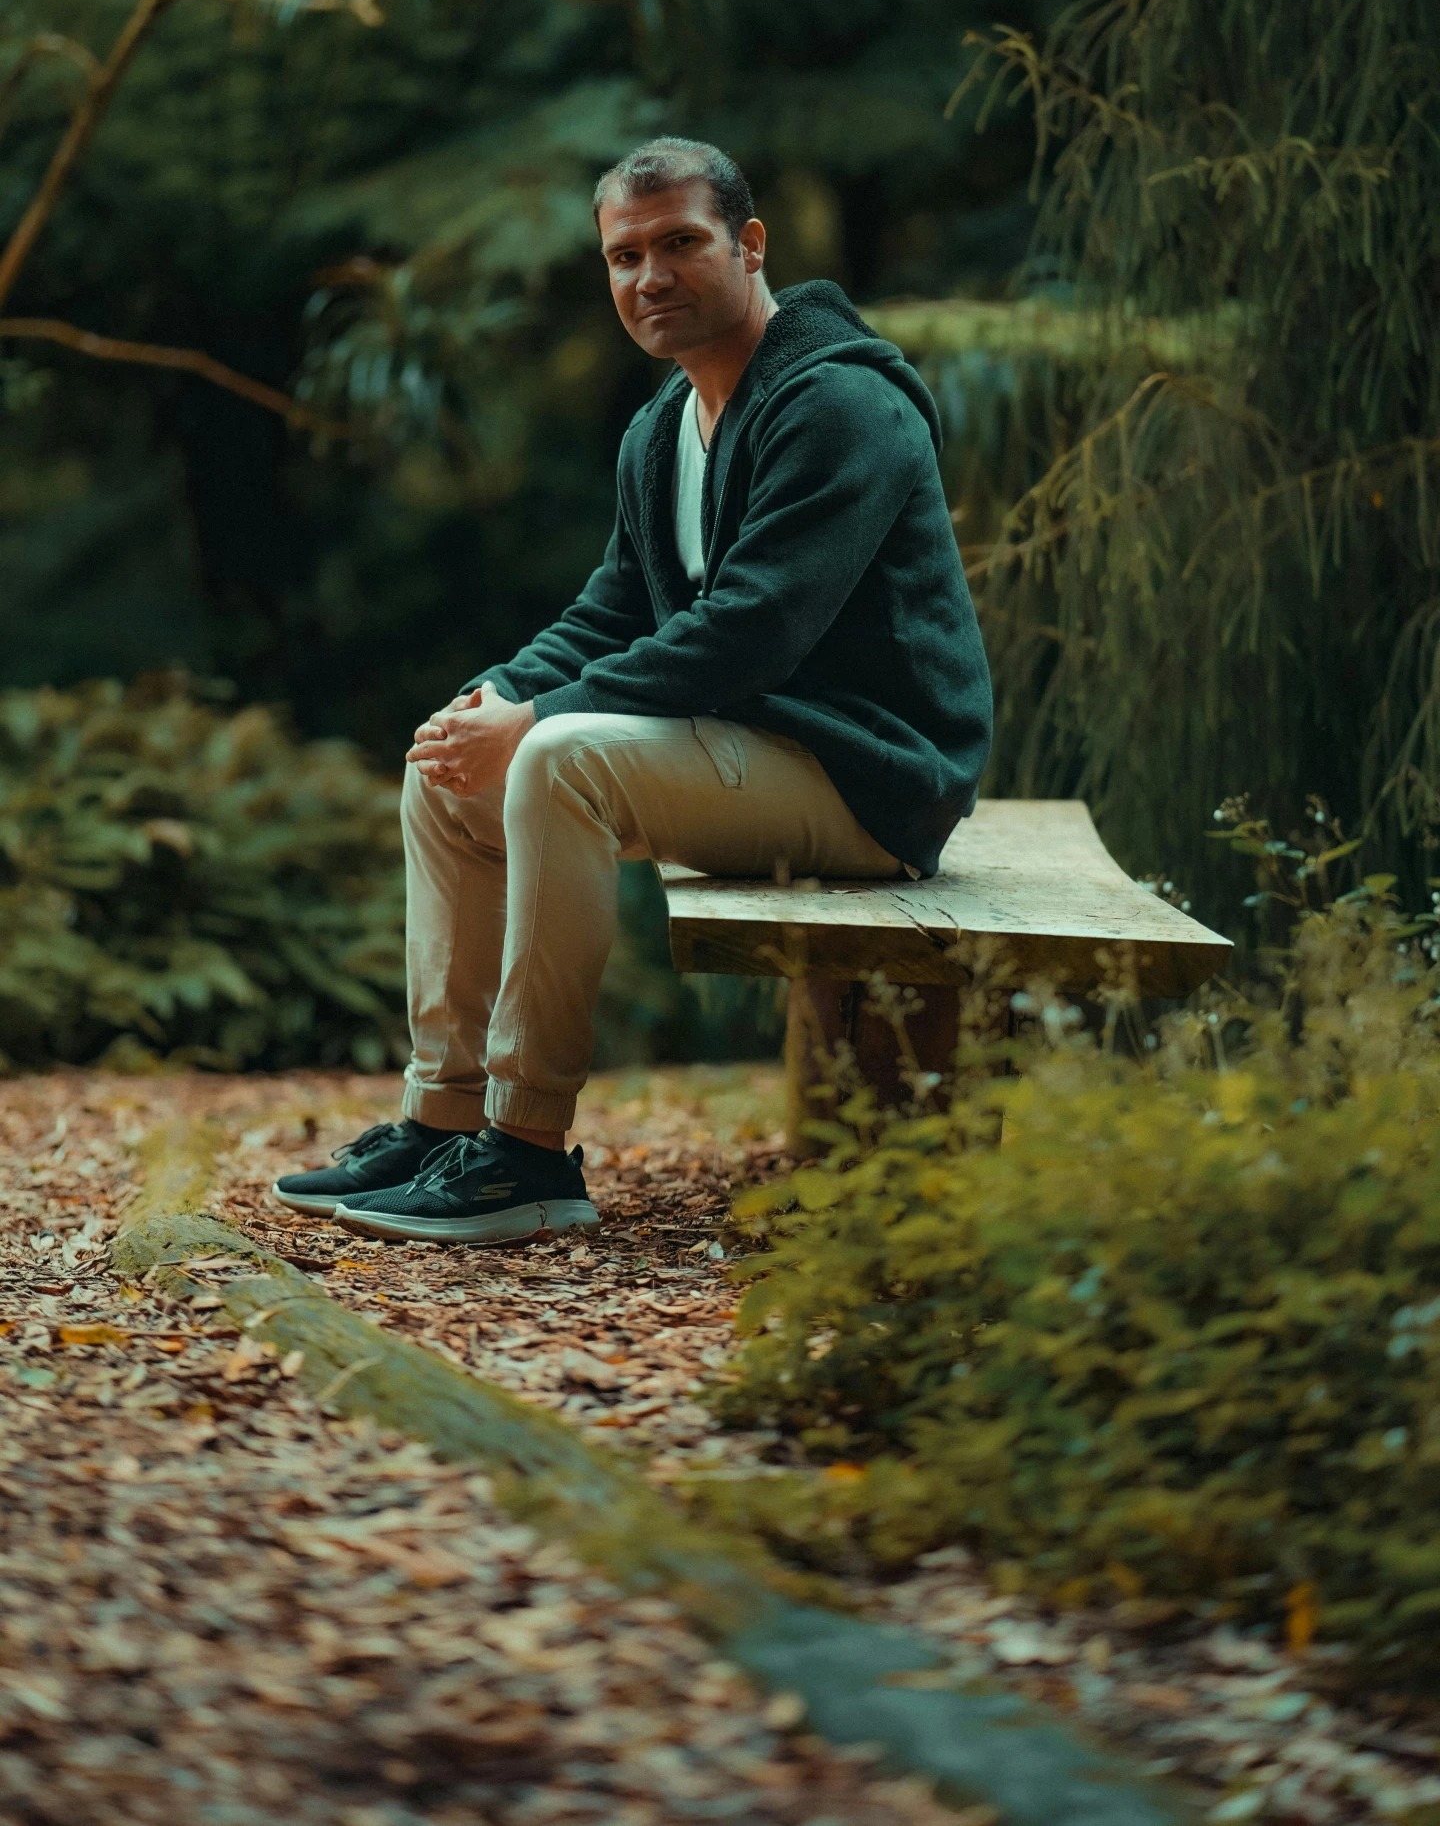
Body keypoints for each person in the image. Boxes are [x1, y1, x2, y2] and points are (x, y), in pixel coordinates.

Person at [273, 137, 993, 1243]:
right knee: (451, 763)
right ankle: (445, 1114)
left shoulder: (837, 403)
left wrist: (540, 721)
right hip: (757, 750)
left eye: (679, 244)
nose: (649, 277)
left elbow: (750, 631)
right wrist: (499, 696)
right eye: (624, 256)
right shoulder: (664, 429)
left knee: (558, 760)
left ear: (750, 246)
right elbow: (614, 611)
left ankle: (525, 1152)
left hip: (870, 775)